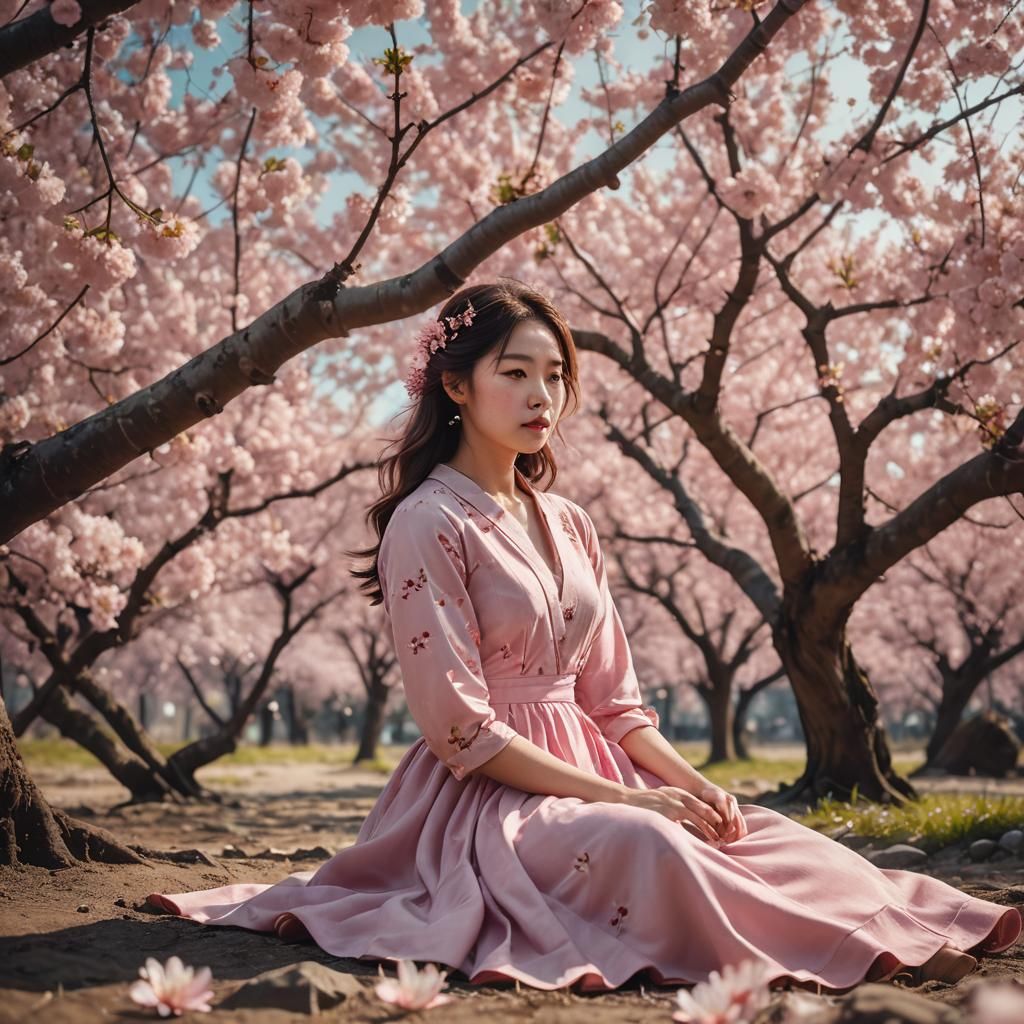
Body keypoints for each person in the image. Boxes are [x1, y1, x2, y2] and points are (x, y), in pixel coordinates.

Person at [148, 280, 1020, 993]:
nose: (543, 396)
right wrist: (631, 804)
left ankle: (890, 932)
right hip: (485, 801)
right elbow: (460, 730)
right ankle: (833, 952)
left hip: (601, 770)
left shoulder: (570, 522)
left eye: (556, 375)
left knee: (759, 833)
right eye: (515, 373)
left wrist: (693, 785)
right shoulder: (426, 522)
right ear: (457, 386)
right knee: (650, 842)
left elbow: (616, 703)